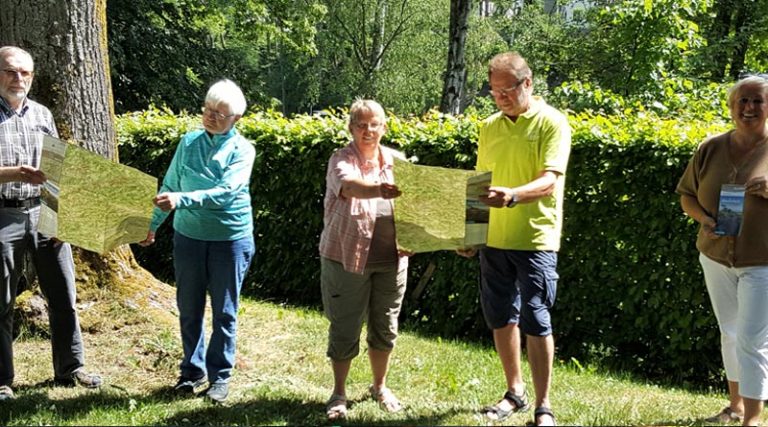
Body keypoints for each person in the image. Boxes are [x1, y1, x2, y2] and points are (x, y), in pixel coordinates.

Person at [457, 52, 571, 426]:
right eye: (494, 91)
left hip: (535, 238)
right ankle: (514, 392)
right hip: (493, 238)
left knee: (536, 317)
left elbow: (550, 180)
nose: (501, 97)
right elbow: (479, 185)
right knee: (501, 316)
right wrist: (470, 232)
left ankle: (544, 405)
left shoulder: (553, 123)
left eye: (507, 89)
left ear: (528, 83)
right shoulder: (489, 126)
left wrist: (514, 195)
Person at [139, 79, 255, 403]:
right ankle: (191, 371)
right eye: (207, 109)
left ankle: (220, 377)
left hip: (229, 240)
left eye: (220, 113)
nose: (211, 117)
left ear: (236, 119)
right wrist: (153, 225)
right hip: (188, 238)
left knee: (224, 312)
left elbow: (226, 192)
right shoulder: (188, 143)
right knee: (188, 308)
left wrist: (182, 200)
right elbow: (171, 184)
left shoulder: (243, 150)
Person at [0, 46, 102, 401]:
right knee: (2, 300)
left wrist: (62, 219)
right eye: (12, 71)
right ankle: (2, 380)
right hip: (3, 214)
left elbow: (56, 172)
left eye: (25, 73)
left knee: (64, 295)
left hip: (45, 212)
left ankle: (70, 369)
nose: (19, 79)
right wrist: (15, 173)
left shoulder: (42, 114)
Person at [677, 75, 768, 427]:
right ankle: (736, 407)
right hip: (715, 254)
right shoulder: (710, 147)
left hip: (761, 260)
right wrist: (703, 218)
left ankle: (753, 419)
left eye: (757, 100)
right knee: (729, 331)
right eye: (742, 101)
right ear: (731, 107)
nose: (749, 107)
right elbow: (686, 195)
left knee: (751, 338)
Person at [318, 99, 408, 421]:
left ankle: (379, 386)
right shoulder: (340, 159)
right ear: (351, 128)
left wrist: (414, 238)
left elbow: (415, 208)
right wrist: (381, 190)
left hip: (392, 261)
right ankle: (339, 392)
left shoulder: (399, 162)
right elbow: (349, 186)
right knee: (344, 327)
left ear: (384, 127)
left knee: (385, 327)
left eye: (374, 124)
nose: (368, 130)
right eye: (361, 124)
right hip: (345, 259)